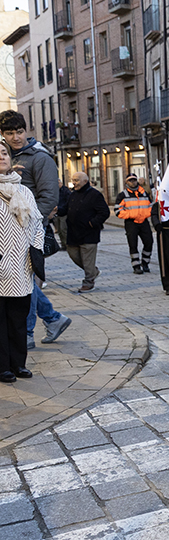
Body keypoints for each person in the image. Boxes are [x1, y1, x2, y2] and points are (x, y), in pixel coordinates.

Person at [0, 110, 71, 348]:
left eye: (19, 132)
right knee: (20, 281)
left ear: (26, 130)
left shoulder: (40, 158)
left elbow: (50, 198)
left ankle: (28, 334)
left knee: (23, 281)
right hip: (7, 233)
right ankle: (53, 318)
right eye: (9, 133)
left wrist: (28, 225)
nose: (16, 137)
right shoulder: (5, 155)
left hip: (28, 231)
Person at [0, 141, 44, 382]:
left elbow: (37, 225)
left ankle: (18, 364)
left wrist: (35, 253)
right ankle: (2, 366)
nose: (2, 157)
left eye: (5, 153)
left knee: (18, 319)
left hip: (21, 266)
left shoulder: (23, 190)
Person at [58, 172, 110, 293]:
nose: (74, 182)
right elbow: (65, 209)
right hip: (73, 233)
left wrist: (92, 223)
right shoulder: (73, 195)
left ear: (85, 181)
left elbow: (104, 212)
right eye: (73, 180)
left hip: (89, 234)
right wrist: (57, 210)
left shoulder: (95, 195)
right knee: (73, 255)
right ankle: (93, 271)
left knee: (87, 260)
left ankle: (89, 282)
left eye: (76, 180)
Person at [114, 173, 154, 274]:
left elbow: (150, 206)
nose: (133, 182)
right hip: (131, 222)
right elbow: (117, 210)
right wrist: (131, 214)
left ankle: (145, 262)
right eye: (130, 180)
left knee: (149, 242)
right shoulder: (123, 195)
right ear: (126, 182)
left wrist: (147, 213)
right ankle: (136, 266)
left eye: (134, 180)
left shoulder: (144, 193)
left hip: (144, 221)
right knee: (133, 244)